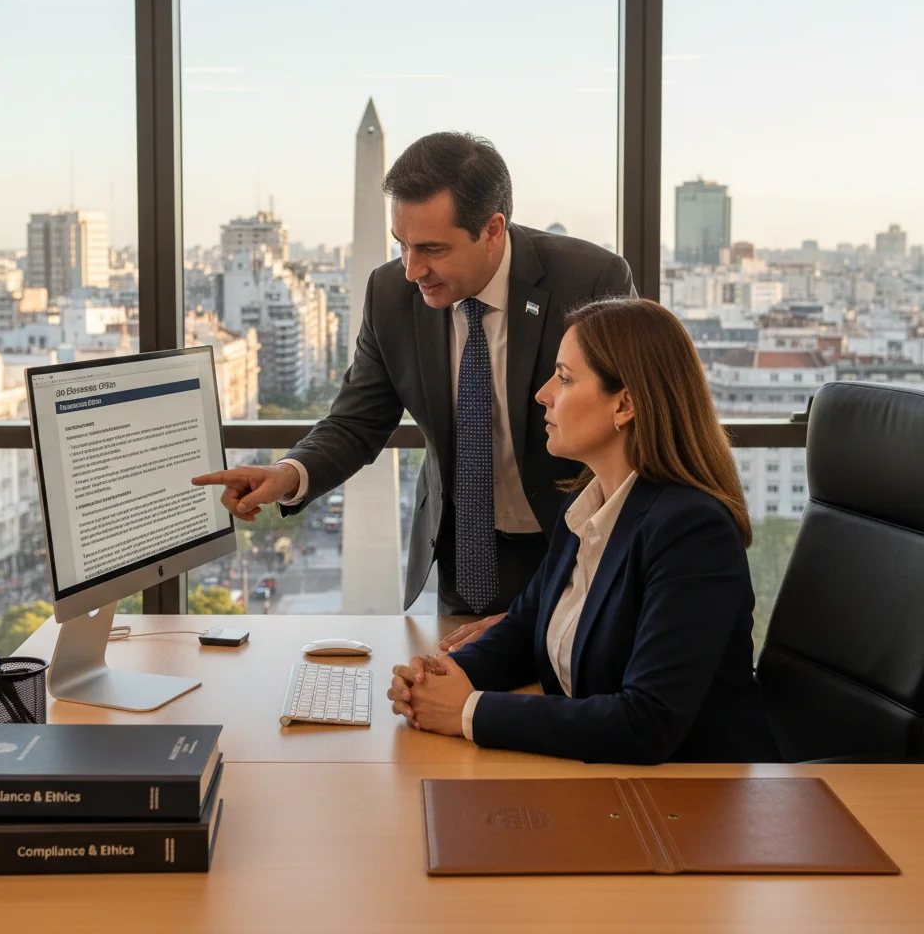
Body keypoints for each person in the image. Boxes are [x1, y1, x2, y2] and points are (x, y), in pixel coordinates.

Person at [192, 132, 635, 618]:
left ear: (492, 230)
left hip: (577, 550)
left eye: (432, 249)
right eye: (401, 244)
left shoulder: (590, 281)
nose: (411, 269)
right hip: (467, 559)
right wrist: (287, 473)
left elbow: (637, 422)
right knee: (458, 690)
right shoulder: (389, 294)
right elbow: (357, 422)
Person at [387, 298, 779, 764]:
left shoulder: (692, 531)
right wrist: (443, 677)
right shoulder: (588, 502)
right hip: (604, 779)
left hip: (689, 802)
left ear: (626, 403)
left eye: (566, 378)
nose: (544, 394)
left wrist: (469, 711)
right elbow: (527, 626)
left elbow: (646, 722)